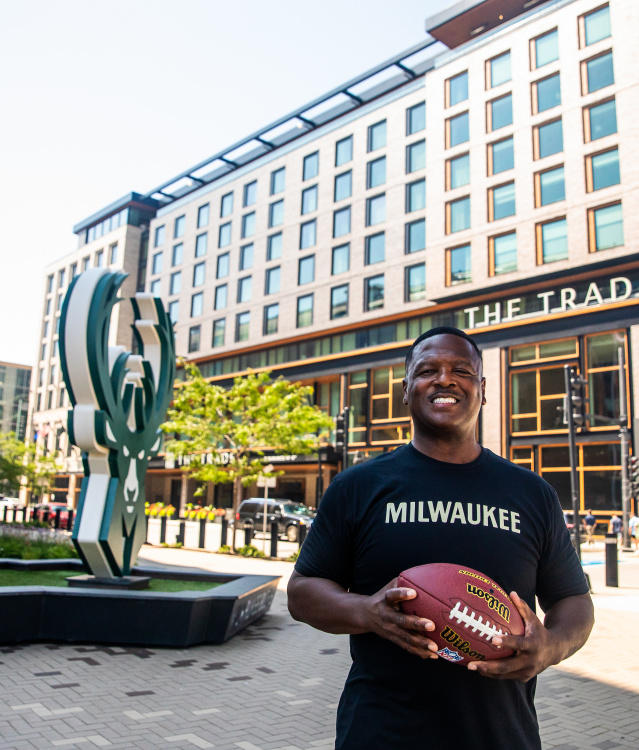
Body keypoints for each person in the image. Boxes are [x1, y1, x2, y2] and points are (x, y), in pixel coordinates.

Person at [288, 327, 594, 750]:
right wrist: (367, 612)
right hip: (381, 735)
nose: (445, 379)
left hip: (501, 735)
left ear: (483, 390)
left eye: (461, 371)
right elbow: (302, 592)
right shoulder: (358, 486)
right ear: (406, 389)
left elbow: (574, 601)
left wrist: (552, 647)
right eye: (428, 369)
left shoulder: (531, 493)